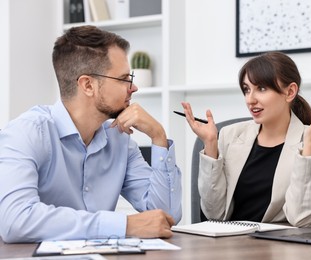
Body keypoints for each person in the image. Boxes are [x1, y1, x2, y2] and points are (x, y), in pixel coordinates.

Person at [0, 25, 182, 243]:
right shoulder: (27, 133)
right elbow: (15, 220)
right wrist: (124, 225)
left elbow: (164, 216)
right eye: (124, 78)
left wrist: (158, 137)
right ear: (88, 85)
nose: (133, 88)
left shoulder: (120, 140)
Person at [181, 52, 311, 227]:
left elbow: (303, 219)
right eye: (247, 89)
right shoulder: (228, 135)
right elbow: (213, 214)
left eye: (261, 88)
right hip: (230, 247)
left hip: (281, 249)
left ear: (290, 91)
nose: (250, 99)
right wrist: (210, 143)